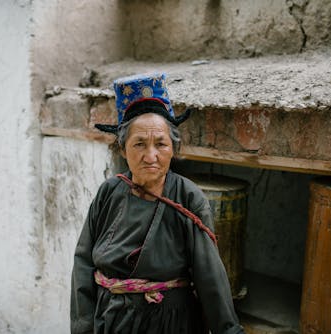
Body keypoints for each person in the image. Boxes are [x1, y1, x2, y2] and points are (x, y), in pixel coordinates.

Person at [70, 73, 245, 334]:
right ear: (122, 148)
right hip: (109, 321)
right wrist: (83, 328)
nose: (150, 156)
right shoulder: (109, 192)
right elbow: (83, 264)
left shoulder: (188, 198)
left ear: (173, 149)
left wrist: (228, 330)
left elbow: (210, 277)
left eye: (161, 144)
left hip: (169, 323)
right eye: (139, 143)